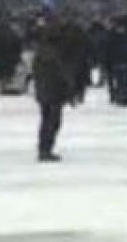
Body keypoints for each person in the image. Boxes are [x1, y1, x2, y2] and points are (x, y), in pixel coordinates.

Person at [33, 23, 73, 162]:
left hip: (43, 91)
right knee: (53, 122)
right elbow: (63, 75)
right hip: (55, 92)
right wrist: (69, 91)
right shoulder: (57, 55)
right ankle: (46, 149)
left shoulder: (39, 53)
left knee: (45, 120)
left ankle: (43, 148)